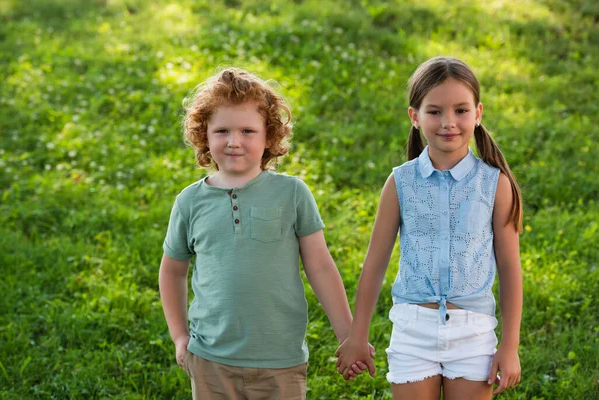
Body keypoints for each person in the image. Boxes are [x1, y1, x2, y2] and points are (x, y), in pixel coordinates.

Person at [158, 67, 372, 400]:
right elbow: (172, 271)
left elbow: (319, 266)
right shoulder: (190, 202)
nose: (234, 142)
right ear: (204, 135)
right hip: (211, 359)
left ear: (269, 136)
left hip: (280, 360)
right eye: (222, 131)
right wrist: (180, 338)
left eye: (247, 130)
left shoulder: (292, 193)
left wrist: (347, 335)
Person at [335, 56, 523, 399]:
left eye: (461, 110)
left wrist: (509, 347)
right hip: (412, 331)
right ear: (415, 116)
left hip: (474, 332)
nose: (448, 122)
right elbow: (374, 264)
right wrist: (356, 336)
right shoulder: (400, 182)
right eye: (434, 111)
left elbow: (510, 269)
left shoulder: (495, 185)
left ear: (478, 113)